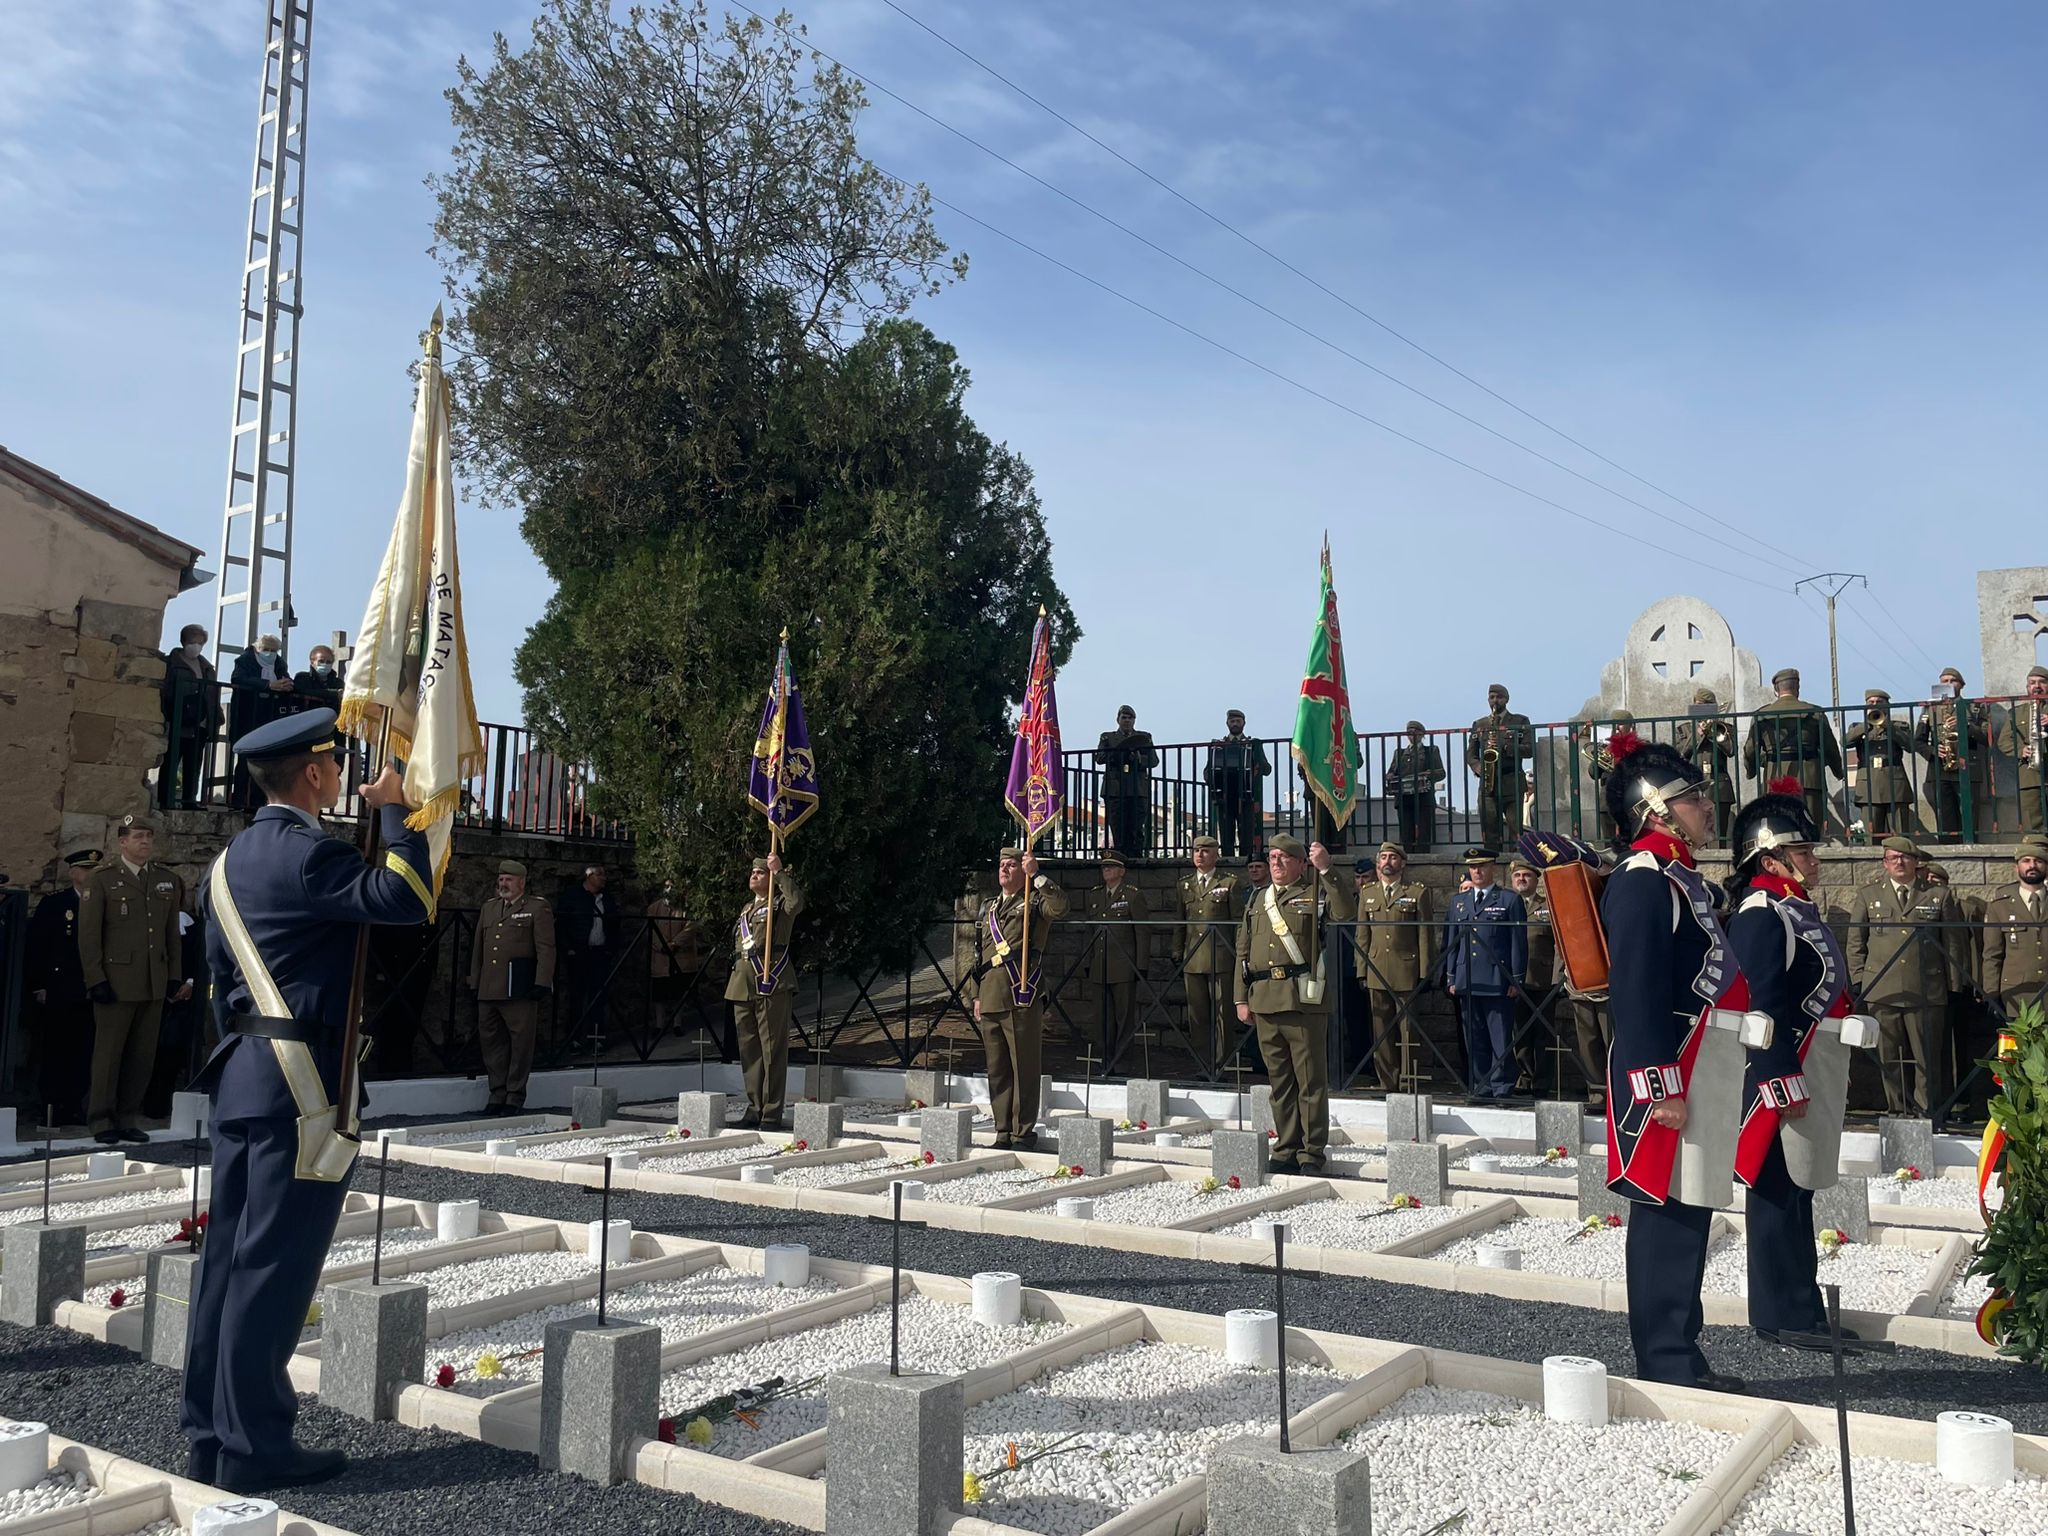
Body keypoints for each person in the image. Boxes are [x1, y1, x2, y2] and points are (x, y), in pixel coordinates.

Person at [182, 707, 431, 1492]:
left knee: (226, 1262)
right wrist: (394, 807)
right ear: (317, 775)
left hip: (242, 1077)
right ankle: (257, 1448)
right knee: (273, 1269)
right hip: (297, 1086)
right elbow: (407, 898)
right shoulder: (307, 855)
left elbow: (220, 982)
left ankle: (211, 1434)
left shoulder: (223, 864)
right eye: (333, 765)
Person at [1595, 730, 1747, 1393]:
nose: (1706, 807)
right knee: (1666, 1215)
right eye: (1692, 799)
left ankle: (1683, 1351)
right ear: (1655, 810)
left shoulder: (1683, 877)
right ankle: (1664, 1359)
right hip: (1668, 1074)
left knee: (1691, 1214)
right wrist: (1660, 1085)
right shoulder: (1642, 878)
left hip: (1699, 1068)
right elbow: (1637, 989)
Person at [1725, 780, 1858, 1349]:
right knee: (1778, 1189)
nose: (1814, 859)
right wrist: (1779, 1075)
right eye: (1802, 851)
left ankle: (1800, 1304)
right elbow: (1762, 1003)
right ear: (1771, 855)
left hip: (1809, 1064)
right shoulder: (1761, 912)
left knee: (1799, 1190)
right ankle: (1783, 1313)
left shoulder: (1791, 908)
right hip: (1782, 1068)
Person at [1234, 834, 1353, 1173]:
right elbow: (1243, 951)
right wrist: (1240, 998)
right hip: (1264, 998)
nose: (1276, 863)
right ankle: (1286, 1147)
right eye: (1272, 857)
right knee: (1280, 1082)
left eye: (1284, 857)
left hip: (1302, 999)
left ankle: (1311, 1152)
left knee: (1309, 1081)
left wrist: (1327, 869)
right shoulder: (1258, 899)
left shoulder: (1313, 893)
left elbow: (1345, 913)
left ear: (1301, 864)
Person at [77, 813, 185, 1145]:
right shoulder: (104, 879)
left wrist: (173, 976)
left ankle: (127, 1116)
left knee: (141, 1055)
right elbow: (89, 935)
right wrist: (95, 978)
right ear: (122, 842)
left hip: (153, 980)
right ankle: (100, 1119)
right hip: (117, 980)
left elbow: (171, 934)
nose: (145, 842)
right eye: (138, 837)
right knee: (108, 1054)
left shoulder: (165, 880)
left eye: (149, 837)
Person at [1845, 836, 1966, 1116]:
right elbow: (1855, 941)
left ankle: (1926, 1112)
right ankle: (1897, 1110)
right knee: (1889, 1058)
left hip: (1926, 988)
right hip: (1882, 989)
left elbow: (1952, 944)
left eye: (1905, 858)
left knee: (1927, 1058)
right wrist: (1860, 979)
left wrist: (1953, 985)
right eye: (1893, 858)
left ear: (1916, 862)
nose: (1899, 863)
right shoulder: (1869, 894)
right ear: (1885, 863)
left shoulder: (1937, 895)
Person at [974, 846, 1069, 1148]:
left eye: (1012, 865)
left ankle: (1022, 1131)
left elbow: (1061, 907)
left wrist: (1037, 876)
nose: (1004, 869)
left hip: (1020, 994)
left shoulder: (1035, 903)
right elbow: (981, 957)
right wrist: (977, 996)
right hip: (990, 996)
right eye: (1002, 864)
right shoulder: (988, 907)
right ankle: (1002, 1130)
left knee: (1024, 1067)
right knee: (997, 1068)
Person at [469, 859, 555, 1113]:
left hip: (519, 988)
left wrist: (542, 982)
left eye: (508, 879)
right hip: (489, 987)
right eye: (501, 878)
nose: (503, 883)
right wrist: (475, 980)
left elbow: (546, 948)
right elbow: (478, 949)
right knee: (491, 1041)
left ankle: (514, 1095)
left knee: (520, 1043)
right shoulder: (490, 908)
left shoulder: (537, 908)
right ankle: (497, 1093)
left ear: (521, 882)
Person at [1442, 848, 1526, 1100]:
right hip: (1467, 978)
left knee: (1500, 1037)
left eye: (1482, 866)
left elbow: (1517, 943)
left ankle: (1501, 1087)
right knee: (1474, 1037)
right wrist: (1450, 977)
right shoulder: (1459, 902)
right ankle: (1481, 1085)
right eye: (1473, 867)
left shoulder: (1508, 900)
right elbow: (1452, 942)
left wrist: (1516, 978)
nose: (1477, 871)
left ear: (1493, 868)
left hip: (1496, 979)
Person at [725, 853, 801, 1128]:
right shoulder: (747, 908)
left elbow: (797, 902)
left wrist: (780, 873)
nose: (754, 876)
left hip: (771, 981)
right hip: (742, 985)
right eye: (753, 872)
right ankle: (753, 1108)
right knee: (750, 1052)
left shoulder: (780, 904)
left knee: (772, 1051)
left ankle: (771, 1113)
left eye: (760, 873)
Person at [26, 849, 101, 1126]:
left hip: (89, 989)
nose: (90, 875)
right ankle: (49, 1106)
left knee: (82, 1052)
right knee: (54, 1049)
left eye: (94, 870)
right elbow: (38, 947)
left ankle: (73, 1105)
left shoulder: (102, 904)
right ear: (73, 873)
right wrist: (38, 985)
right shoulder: (56, 904)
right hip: (58, 989)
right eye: (85, 870)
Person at [1355, 841, 1437, 1091]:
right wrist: (1361, 969)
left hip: (1406, 970)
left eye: (1393, 857)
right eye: (1383, 857)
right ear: (1378, 863)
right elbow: (1363, 935)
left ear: (1402, 863)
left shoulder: (1417, 892)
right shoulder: (1368, 893)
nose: (1387, 861)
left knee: (1408, 1030)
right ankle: (1386, 1080)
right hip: (1377, 969)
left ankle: (1408, 1080)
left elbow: (1425, 934)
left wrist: (1425, 971)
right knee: (1381, 1030)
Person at [1924, 861, 1991, 1118]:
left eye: (1936, 881)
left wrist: (1975, 983)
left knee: (1963, 1048)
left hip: (1961, 987)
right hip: (1933, 987)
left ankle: (1964, 1101)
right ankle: (1940, 1101)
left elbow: (1975, 948)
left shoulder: (1966, 908)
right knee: (1937, 1049)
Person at [1743, 668, 1843, 837]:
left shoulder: (1761, 715)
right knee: (1810, 828)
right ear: (1797, 688)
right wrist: (1838, 771)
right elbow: (1830, 747)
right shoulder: (1815, 713)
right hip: (1810, 779)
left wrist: (1751, 770)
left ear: (1776, 690)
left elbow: (1751, 749)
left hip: (1774, 779)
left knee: (1777, 829)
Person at [1173, 835, 1240, 1071]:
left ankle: (1221, 1063)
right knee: (1197, 1015)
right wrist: (1177, 951)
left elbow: (1237, 923)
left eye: (1205, 851)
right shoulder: (1185, 884)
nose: (1199, 855)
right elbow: (1180, 922)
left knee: (1223, 1014)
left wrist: (1239, 954)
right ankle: (1202, 1062)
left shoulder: (1229, 882)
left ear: (1216, 855)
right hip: (1192, 958)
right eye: (1196, 850)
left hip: (1220, 957)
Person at [1916, 667, 1993, 842]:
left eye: (1953, 680)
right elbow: (1918, 741)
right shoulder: (1931, 709)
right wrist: (1934, 751)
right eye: (1944, 681)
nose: (1948, 684)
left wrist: (1965, 725)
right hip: (1940, 770)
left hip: (1968, 769)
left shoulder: (1974, 707)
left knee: (1969, 818)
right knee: (1945, 819)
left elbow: (1986, 738)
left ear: (1962, 685)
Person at [1085, 851, 1148, 1059]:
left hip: (1123, 965)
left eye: (1111, 866)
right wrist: (1088, 961)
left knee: (1123, 1016)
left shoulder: (1132, 895)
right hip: (1099, 965)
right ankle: (1104, 1057)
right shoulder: (1095, 895)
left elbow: (1141, 932)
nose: (1106, 870)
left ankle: (1121, 1060)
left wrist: (1141, 964)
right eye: (1104, 867)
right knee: (1102, 1017)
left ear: (1122, 871)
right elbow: (1089, 932)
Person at [1983, 838, 2048, 1026]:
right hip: (2017, 995)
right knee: (2018, 1053)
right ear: (2017, 867)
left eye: (2039, 861)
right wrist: (1991, 994)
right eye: (2026, 861)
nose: (2032, 866)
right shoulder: (2000, 907)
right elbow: (1992, 955)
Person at [648, 879, 718, 1053]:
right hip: (660, 957)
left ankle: (677, 1024)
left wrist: (673, 945)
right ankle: (659, 1024)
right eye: (667, 887)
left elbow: (690, 928)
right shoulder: (653, 908)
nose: (670, 890)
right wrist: (661, 946)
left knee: (680, 992)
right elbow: (650, 930)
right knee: (660, 994)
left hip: (680, 956)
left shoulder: (686, 907)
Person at [1843, 689, 1923, 840]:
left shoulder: (1900, 726)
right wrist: (1866, 724)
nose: (1875, 705)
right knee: (1871, 836)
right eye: (1871, 702)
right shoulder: (1857, 727)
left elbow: (1911, 746)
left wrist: (1888, 726)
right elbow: (1845, 742)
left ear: (1887, 705)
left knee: (1900, 835)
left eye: (1879, 702)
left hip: (1895, 784)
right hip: (1868, 785)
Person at [228, 635, 296, 808]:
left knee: (264, 763)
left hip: (268, 718)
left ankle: (257, 802)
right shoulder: (245, 661)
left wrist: (287, 685)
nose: (270, 654)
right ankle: (239, 800)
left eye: (273, 650)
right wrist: (267, 685)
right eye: (266, 650)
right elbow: (239, 679)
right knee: (245, 761)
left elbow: (285, 679)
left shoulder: (279, 665)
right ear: (257, 649)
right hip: (247, 716)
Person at [159, 623, 221, 810]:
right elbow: (167, 691)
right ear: (184, 641)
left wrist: (214, 719)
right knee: (172, 762)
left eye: (200, 642)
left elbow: (212, 696)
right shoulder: (172, 663)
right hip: (179, 721)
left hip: (200, 724)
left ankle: (189, 800)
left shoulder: (207, 667)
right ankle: (166, 800)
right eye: (193, 641)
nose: (196, 645)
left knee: (193, 766)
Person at [1509, 856, 1556, 1092]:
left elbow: (1559, 942)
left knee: (1543, 1035)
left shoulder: (1548, 904)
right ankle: (1524, 1079)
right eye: (1517, 875)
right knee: (1520, 1034)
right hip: (1516, 981)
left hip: (1542, 979)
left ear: (1536, 879)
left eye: (1526, 875)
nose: (1521, 879)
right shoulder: (1507, 903)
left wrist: (1558, 976)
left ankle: (1543, 1082)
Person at [1466, 685, 1533, 849]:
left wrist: (1505, 748)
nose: (1495, 701)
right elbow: (1471, 754)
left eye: (1499, 697)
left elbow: (1529, 749)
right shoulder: (1480, 724)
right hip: (1488, 783)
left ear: (1507, 699)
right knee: (1490, 831)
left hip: (1512, 781)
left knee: (1515, 830)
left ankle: (1516, 863)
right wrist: (1478, 768)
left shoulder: (1520, 721)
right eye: (1492, 697)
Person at [556, 865, 616, 1049]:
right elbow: (562, 923)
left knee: (598, 996)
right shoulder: (574, 896)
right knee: (576, 996)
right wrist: (569, 948)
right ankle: (574, 1039)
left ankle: (596, 1038)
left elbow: (614, 924)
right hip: (579, 952)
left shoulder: (607, 898)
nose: (603, 878)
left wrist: (610, 948)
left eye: (604, 875)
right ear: (588, 876)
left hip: (600, 952)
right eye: (599, 875)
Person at [1675, 688, 1739, 845]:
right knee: (1693, 832)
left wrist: (1712, 732)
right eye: (1699, 705)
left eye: (1708, 705)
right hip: (1693, 785)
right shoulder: (1685, 729)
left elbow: (1731, 751)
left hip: (1720, 785)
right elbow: (1681, 753)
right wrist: (1698, 734)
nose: (1702, 709)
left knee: (1719, 835)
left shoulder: (1725, 728)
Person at [1204, 710, 1270, 859]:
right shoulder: (1219, 746)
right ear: (1227, 723)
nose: (1235, 724)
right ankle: (1227, 859)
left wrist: (1257, 762)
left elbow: (1267, 769)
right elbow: (1209, 770)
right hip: (1225, 795)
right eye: (1232, 721)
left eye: (1238, 721)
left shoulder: (1253, 744)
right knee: (1226, 830)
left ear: (1244, 723)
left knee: (1246, 831)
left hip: (1247, 795)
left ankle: (1246, 859)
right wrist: (1211, 779)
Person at [1094, 705, 1158, 857]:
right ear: (1118, 719)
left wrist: (1138, 759)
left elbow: (1153, 760)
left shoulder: (1144, 737)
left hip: (1137, 788)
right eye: (1124, 717)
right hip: (1115, 788)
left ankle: (1136, 855)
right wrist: (1117, 754)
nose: (1127, 721)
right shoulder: (1108, 737)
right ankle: (1120, 855)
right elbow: (1099, 758)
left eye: (1130, 718)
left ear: (1134, 720)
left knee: (1136, 826)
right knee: (1117, 826)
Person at [1997, 665, 2048, 835]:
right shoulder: (2016, 712)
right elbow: (2003, 741)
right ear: (2027, 688)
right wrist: (2021, 750)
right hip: (2029, 776)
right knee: (2034, 826)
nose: (2037, 686)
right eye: (2032, 683)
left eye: (2042, 682)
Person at [1387, 721, 1445, 852]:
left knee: (1424, 830)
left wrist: (1429, 774)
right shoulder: (1399, 753)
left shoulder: (1431, 751)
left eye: (1415, 732)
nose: (1411, 735)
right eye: (1409, 732)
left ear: (1422, 734)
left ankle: (1423, 855)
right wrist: (1390, 775)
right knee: (1406, 831)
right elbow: (1391, 771)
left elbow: (1441, 773)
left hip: (1424, 797)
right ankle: (1408, 854)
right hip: (1404, 798)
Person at [1585, 710, 1635, 846]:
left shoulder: (1637, 745)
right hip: (1607, 800)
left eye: (1619, 724)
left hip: (1630, 798)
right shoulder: (1606, 746)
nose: (1616, 728)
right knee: (1609, 841)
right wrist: (1601, 757)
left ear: (1629, 726)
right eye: (1613, 724)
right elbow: (1593, 774)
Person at [290, 644, 345, 714]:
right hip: (307, 719)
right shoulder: (302, 677)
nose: (325, 664)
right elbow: (303, 691)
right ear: (312, 662)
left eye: (328, 662)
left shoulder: (338, 683)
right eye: (321, 661)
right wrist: (333, 694)